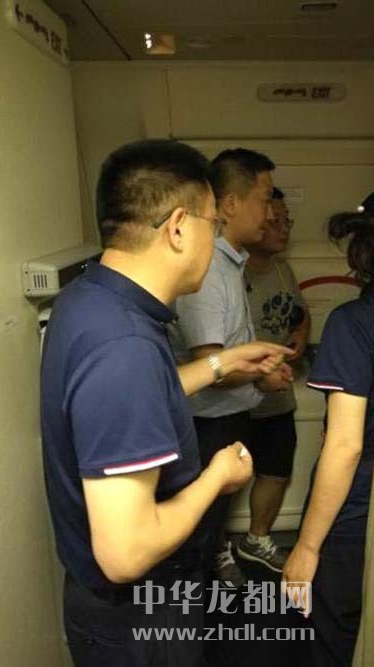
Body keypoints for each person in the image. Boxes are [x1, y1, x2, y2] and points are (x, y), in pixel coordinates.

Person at [41, 139, 292, 667]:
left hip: (113, 610)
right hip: (138, 620)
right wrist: (218, 477)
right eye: (212, 225)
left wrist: (223, 363)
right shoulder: (124, 346)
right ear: (178, 228)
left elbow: (138, 395)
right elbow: (126, 553)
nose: (215, 240)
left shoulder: (90, 298)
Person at [283, 188, 374, 666]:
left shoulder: (354, 322)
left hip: (355, 514)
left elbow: (345, 445)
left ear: (361, 253)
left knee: (333, 634)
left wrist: (307, 546)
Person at [169, 149, 293, 587]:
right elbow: (209, 364)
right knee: (199, 532)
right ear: (231, 204)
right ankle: (193, 615)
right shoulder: (209, 273)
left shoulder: (230, 263)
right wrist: (261, 374)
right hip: (209, 423)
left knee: (210, 521)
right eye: (264, 198)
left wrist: (262, 372)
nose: (271, 212)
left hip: (229, 416)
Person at [237, 187, 310, 572]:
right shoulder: (229, 273)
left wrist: (300, 336)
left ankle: (257, 539)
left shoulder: (282, 269)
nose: (283, 228)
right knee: (222, 480)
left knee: (277, 470)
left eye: (287, 221)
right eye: (274, 220)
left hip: (278, 395)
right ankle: (217, 550)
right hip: (236, 398)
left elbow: (299, 313)